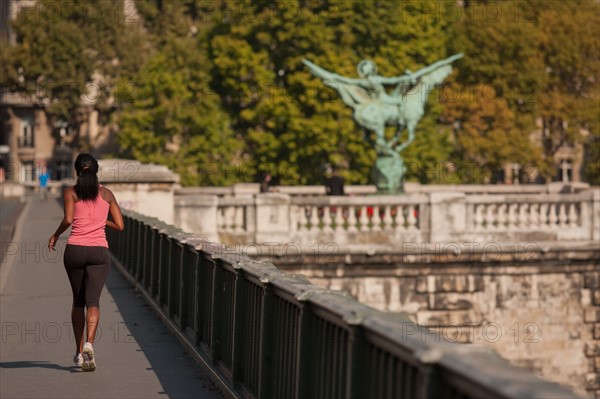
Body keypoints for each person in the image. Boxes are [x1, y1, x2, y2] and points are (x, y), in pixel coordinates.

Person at [47, 153, 124, 372]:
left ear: (77, 171)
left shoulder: (70, 192)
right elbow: (120, 225)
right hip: (99, 252)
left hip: (75, 251)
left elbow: (69, 219)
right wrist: (102, 220)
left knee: (77, 302)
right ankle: (90, 343)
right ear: (96, 170)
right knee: (93, 302)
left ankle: (79, 354)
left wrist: (54, 235)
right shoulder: (107, 194)